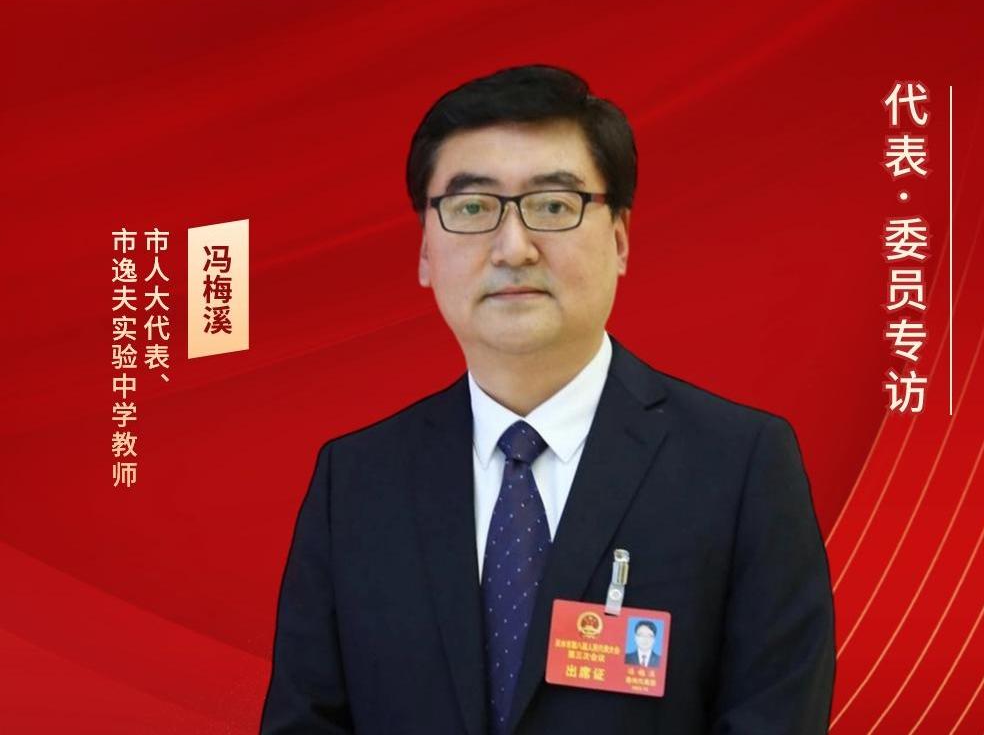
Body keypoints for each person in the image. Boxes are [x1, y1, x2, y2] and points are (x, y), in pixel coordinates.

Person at [260, 65, 835, 735]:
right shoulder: (356, 482)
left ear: (619, 238)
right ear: (425, 252)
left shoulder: (739, 466)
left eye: (554, 206)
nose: (513, 248)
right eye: (473, 208)